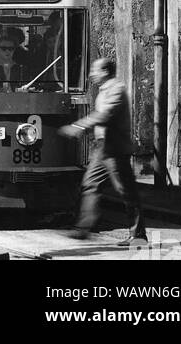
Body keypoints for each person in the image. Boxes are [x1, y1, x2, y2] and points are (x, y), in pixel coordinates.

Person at [61, 56, 147, 243]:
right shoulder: (104, 90)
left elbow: (105, 115)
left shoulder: (116, 89)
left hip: (114, 148)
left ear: (106, 72)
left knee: (126, 191)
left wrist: (79, 127)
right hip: (102, 148)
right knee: (90, 184)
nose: (92, 74)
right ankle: (84, 228)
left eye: (95, 70)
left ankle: (138, 235)